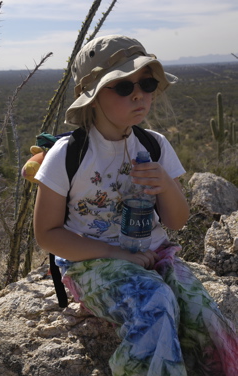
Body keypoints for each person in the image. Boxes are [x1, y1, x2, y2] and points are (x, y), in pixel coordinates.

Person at [33, 35, 238, 376]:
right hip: (92, 264)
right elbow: (47, 235)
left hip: (156, 255)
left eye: (146, 82)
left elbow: (177, 221)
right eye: (124, 87)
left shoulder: (154, 145)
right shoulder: (67, 156)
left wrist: (167, 186)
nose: (140, 93)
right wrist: (118, 255)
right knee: (155, 302)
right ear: (94, 97)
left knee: (204, 315)